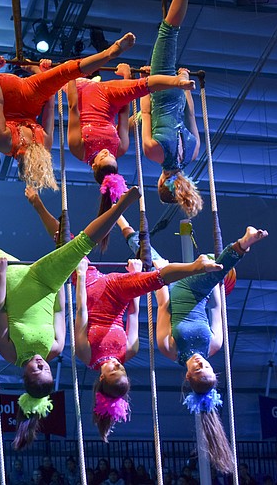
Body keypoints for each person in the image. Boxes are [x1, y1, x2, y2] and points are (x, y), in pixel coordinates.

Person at [25, 186, 221, 441]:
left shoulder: (86, 355)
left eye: (114, 371)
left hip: (92, 289)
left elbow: (81, 315)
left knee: (66, 246)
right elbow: (133, 313)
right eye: (122, 370)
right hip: (119, 292)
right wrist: (134, 274)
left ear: (102, 378)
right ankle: (194, 268)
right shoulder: (129, 352)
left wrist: (82, 277)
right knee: (153, 280)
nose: (118, 365)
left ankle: (37, 202)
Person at [0, 185, 141, 449]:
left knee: (66, 245)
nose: (40, 363)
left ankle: (42, 205)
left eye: (37, 369)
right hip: (79, 286)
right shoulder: (67, 349)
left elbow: (1, 310)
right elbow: (70, 311)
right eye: (45, 368)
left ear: (25, 375)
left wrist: (2, 276)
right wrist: (134, 275)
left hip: (30, 282)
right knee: (72, 245)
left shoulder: (16, 352)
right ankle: (120, 208)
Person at [0, 32, 136, 192]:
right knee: (64, 71)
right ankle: (109, 53)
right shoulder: (33, 144)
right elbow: (49, 106)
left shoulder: (8, 144)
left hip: (11, 92)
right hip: (27, 94)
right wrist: (43, 75)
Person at [155, 225, 269, 473]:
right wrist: (215, 284)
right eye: (206, 367)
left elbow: (163, 308)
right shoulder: (214, 344)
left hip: (175, 289)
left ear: (188, 376)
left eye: (197, 370)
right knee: (215, 271)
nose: (200, 363)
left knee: (139, 244)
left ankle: (117, 205)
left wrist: (161, 276)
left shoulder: (169, 348)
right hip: (201, 290)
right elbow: (217, 309)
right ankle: (243, 243)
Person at [67, 62, 194, 249]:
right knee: (142, 91)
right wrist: (129, 79)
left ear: (93, 166)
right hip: (110, 95)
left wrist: (68, 77)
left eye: (103, 156)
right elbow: (127, 112)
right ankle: (175, 81)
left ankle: (174, 80)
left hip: (85, 93)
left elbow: (73, 109)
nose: (106, 152)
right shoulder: (121, 148)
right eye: (110, 156)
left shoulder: (79, 150)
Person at [139, 0, 203, 217]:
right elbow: (145, 111)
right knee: (168, 30)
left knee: (171, 32)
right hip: (162, 90)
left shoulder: (193, 153)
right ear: (162, 182)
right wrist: (145, 81)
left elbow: (191, 114)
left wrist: (184, 81)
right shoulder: (153, 153)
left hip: (177, 92)